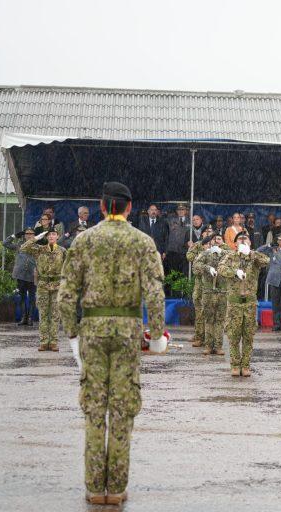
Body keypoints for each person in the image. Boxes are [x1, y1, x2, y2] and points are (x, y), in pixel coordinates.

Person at [58, 181, 165, 505]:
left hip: (92, 329)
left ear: (102, 207)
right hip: (127, 332)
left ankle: (94, 488)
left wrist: (73, 333)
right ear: (129, 208)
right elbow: (156, 295)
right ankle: (115, 490)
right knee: (122, 411)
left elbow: (65, 296)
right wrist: (157, 335)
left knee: (94, 411)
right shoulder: (142, 242)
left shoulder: (84, 240)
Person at [218, 232, 269, 376]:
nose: (242, 240)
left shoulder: (254, 257)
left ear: (250, 242)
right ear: (235, 244)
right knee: (234, 336)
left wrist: (251, 254)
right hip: (234, 303)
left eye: (245, 238)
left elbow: (266, 261)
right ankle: (235, 365)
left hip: (250, 304)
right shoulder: (230, 256)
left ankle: (245, 365)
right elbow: (221, 269)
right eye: (239, 239)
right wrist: (235, 272)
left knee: (248, 336)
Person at [21, 227, 66, 351]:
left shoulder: (62, 251)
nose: (51, 236)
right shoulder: (40, 250)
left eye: (54, 234)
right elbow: (23, 248)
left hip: (57, 285)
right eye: (49, 235)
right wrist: (36, 238)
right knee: (43, 314)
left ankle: (54, 342)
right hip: (43, 285)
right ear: (46, 237)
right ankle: (44, 341)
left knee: (55, 315)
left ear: (57, 236)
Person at [195, 234, 229, 355]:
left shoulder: (226, 254)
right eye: (213, 240)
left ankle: (218, 346)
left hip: (222, 291)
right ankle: (209, 345)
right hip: (208, 291)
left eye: (218, 239)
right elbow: (196, 266)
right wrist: (207, 268)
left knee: (220, 320)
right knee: (209, 319)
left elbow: (233, 267)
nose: (215, 242)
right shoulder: (205, 254)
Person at [258, 232, 281, 332]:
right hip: (274, 280)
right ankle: (276, 324)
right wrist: (268, 245)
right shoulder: (272, 250)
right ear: (277, 241)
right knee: (275, 304)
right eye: (280, 240)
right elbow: (259, 251)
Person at [3, 228, 37, 325]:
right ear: (24, 235)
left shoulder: (38, 246)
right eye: (27, 234)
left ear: (34, 235)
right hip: (20, 275)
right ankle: (23, 317)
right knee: (22, 297)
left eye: (31, 234)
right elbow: (5, 243)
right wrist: (15, 235)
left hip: (32, 275)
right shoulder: (19, 245)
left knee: (32, 298)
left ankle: (30, 318)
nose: (29, 235)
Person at [186, 235, 209, 347]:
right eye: (206, 232)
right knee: (199, 312)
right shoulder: (199, 245)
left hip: (213, 287)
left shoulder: (219, 247)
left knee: (210, 314)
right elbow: (189, 256)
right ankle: (199, 335)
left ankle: (209, 339)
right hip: (200, 284)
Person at [165, 204, 190, 276]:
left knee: (183, 273)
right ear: (176, 211)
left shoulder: (190, 221)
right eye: (179, 209)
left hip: (184, 252)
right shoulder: (170, 221)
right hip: (173, 251)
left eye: (183, 209)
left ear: (185, 211)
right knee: (173, 272)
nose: (181, 211)